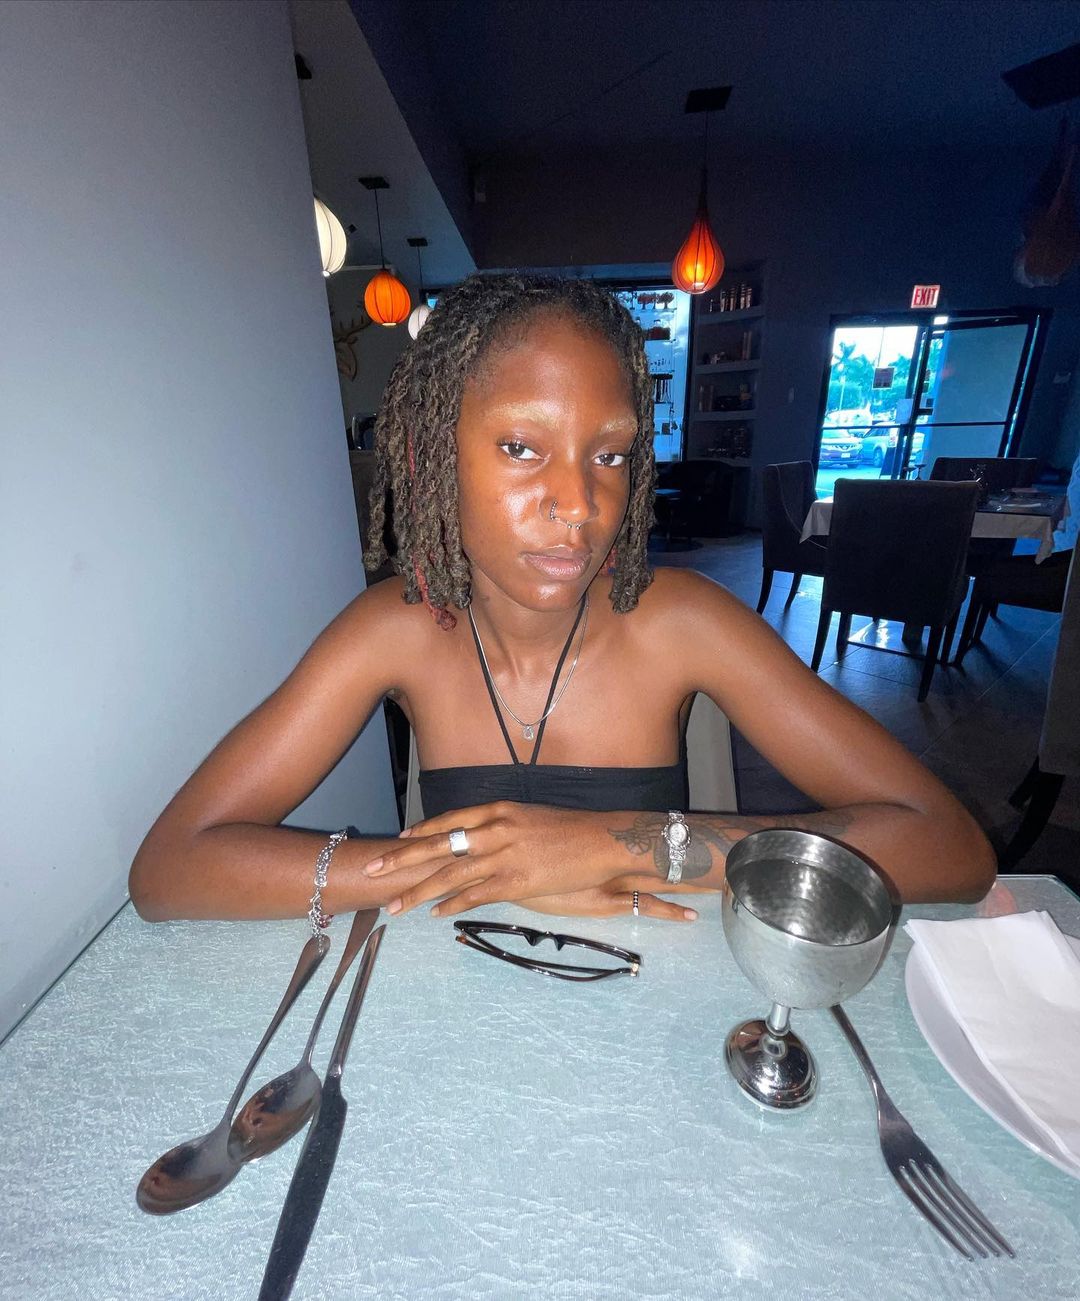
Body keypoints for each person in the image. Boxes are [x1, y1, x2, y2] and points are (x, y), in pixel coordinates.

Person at [129, 275, 995, 926]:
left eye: (609, 455)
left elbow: (950, 848)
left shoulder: (682, 621)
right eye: (520, 447)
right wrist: (481, 865)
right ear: (434, 456)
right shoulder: (397, 628)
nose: (580, 504)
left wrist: (610, 845)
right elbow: (169, 868)